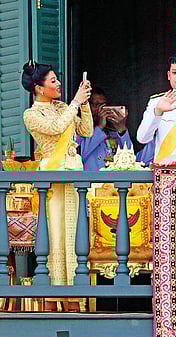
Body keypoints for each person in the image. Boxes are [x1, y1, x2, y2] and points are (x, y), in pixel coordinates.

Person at [22, 61, 93, 290]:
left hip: (74, 171)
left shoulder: (64, 107)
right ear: (39, 88)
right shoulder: (31, 114)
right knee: (56, 234)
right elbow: (55, 128)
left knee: (75, 231)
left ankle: (77, 292)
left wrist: (84, 105)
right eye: (53, 80)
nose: (59, 83)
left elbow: (86, 131)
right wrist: (75, 102)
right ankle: (56, 293)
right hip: (52, 174)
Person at [77, 87, 133, 171]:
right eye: (96, 105)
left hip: (112, 182)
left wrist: (121, 128)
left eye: (103, 106)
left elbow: (130, 157)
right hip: (90, 182)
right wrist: (99, 127)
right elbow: (80, 155)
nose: (100, 110)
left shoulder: (112, 133)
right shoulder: (78, 131)